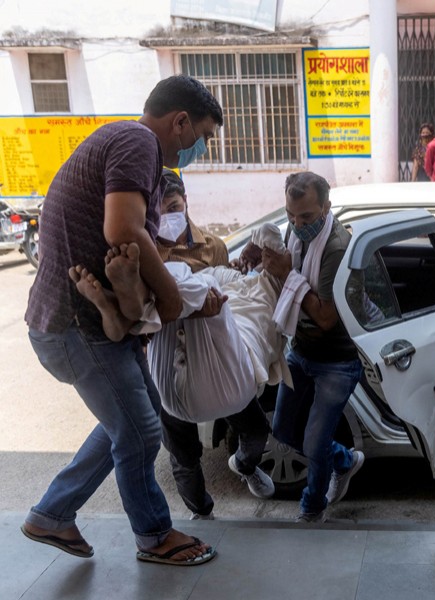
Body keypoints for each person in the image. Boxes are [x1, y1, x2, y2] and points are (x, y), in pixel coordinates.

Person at [22, 75, 223, 566]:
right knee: (139, 432)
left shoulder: (129, 145)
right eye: (203, 136)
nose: (201, 148)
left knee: (133, 419)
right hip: (75, 326)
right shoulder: (138, 141)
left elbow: (129, 241)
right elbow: (123, 228)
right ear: (180, 122)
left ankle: (52, 514)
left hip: (78, 322)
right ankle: (154, 536)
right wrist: (172, 298)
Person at [154, 170, 276, 519]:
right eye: (158, 211)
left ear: (186, 201)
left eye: (173, 207)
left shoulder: (213, 246)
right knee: (183, 454)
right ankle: (201, 513)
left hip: (218, 360)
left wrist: (237, 274)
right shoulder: (147, 253)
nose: (167, 218)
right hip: (170, 365)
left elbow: (230, 298)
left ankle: (246, 466)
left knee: (255, 430)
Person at [266, 172, 365, 523]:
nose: (297, 224)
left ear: (326, 206)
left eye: (306, 217)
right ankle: (345, 459)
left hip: (336, 362)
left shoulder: (336, 247)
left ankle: (312, 508)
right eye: (291, 216)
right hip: (301, 350)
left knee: (313, 442)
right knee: (283, 430)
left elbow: (325, 316)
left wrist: (286, 275)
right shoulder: (296, 231)